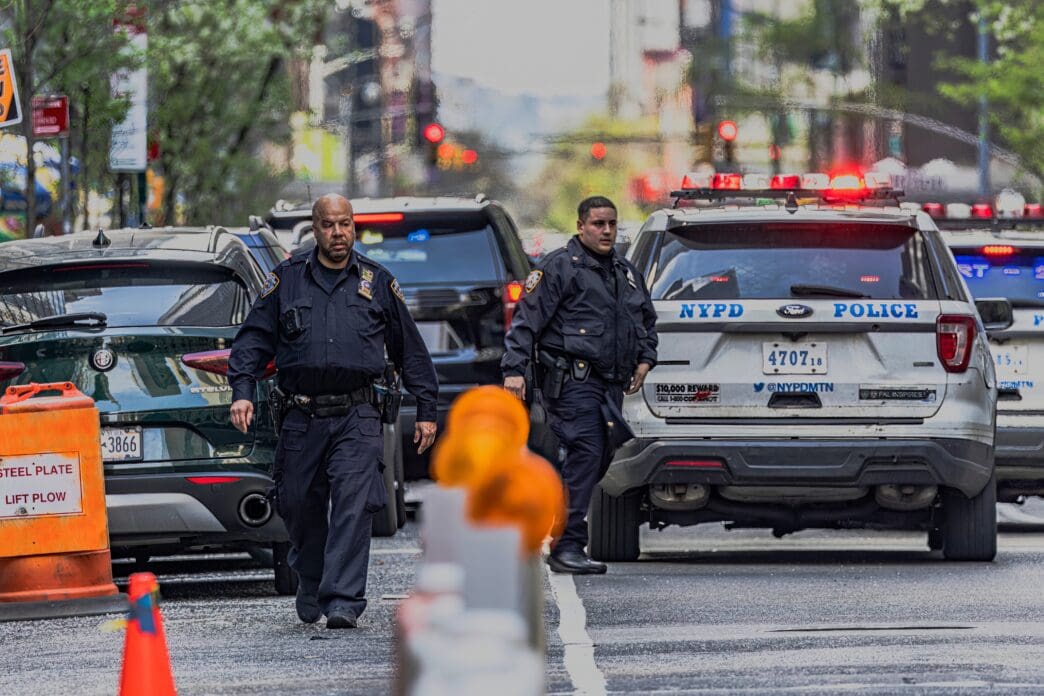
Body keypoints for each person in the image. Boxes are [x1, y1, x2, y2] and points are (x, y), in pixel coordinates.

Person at [228, 194, 438, 628]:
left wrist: (427, 409)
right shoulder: (286, 279)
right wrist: (243, 391)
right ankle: (311, 577)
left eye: (345, 224)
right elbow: (252, 340)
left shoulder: (377, 281)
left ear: (353, 226)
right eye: (329, 225)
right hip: (301, 416)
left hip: (357, 414)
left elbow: (410, 350)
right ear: (315, 227)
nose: (338, 233)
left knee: (353, 504)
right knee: (298, 505)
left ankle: (343, 600)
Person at [502, 195, 657, 574]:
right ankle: (567, 544)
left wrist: (645, 358)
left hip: (610, 385)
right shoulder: (559, 267)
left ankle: (560, 531)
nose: (606, 231)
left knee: (599, 454)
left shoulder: (624, 270)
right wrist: (514, 370)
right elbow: (526, 321)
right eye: (598, 224)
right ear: (581, 226)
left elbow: (645, 321)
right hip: (572, 380)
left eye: (611, 224)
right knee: (587, 451)